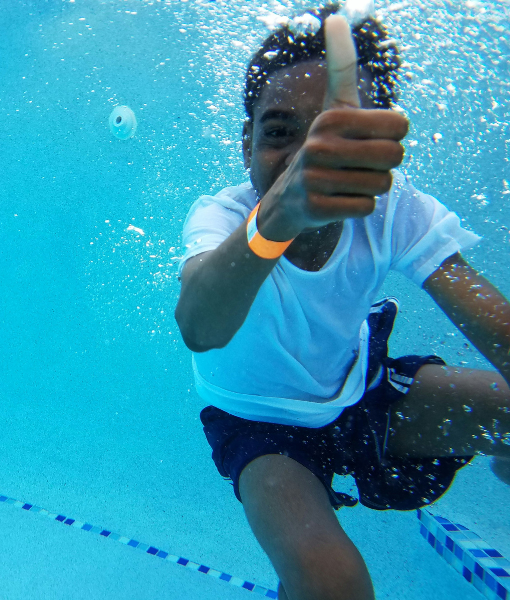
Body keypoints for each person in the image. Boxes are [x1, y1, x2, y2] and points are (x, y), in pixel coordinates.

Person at [175, 3, 510, 599]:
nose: (310, 158)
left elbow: (498, 326)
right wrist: (280, 216)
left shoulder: (392, 204)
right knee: (337, 588)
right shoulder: (220, 215)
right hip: (258, 422)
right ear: (245, 142)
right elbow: (200, 325)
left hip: (362, 389)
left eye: (338, 134)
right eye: (280, 132)